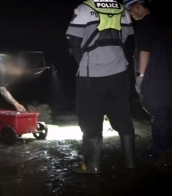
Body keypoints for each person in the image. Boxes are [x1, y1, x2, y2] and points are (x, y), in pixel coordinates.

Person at [66, 0, 135, 173]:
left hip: (92, 74)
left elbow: (74, 42)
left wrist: (80, 61)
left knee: (90, 116)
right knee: (122, 114)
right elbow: (124, 38)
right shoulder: (123, 10)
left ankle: (91, 166)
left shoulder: (83, 8)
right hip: (120, 71)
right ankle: (130, 162)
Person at [124, 0, 172, 158]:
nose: (130, 14)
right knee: (166, 110)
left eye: (130, 9)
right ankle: (166, 143)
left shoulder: (144, 25)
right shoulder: (162, 22)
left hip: (154, 76)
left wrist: (140, 77)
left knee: (158, 111)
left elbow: (144, 52)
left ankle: (159, 147)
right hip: (167, 73)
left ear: (137, 6)